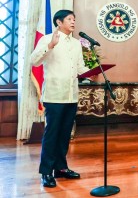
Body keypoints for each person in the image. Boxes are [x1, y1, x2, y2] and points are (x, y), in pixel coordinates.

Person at [31, 10, 90, 187]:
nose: (73, 22)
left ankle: (61, 168)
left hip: (71, 95)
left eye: (74, 19)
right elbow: (34, 61)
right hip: (55, 95)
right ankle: (46, 172)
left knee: (65, 134)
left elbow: (80, 67)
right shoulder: (48, 39)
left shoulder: (76, 43)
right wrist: (50, 46)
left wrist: (90, 72)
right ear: (59, 22)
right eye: (69, 19)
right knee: (52, 134)